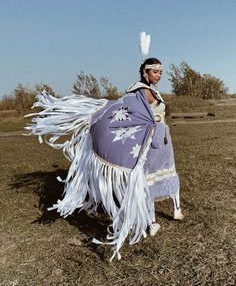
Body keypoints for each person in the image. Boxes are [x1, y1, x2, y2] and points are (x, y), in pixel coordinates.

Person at [25, 57, 183, 261]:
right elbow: (132, 113)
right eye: (155, 72)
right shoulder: (141, 92)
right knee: (146, 179)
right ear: (145, 72)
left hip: (162, 138)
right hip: (150, 140)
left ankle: (172, 212)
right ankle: (152, 221)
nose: (158, 76)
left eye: (160, 72)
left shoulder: (146, 91)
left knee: (162, 174)